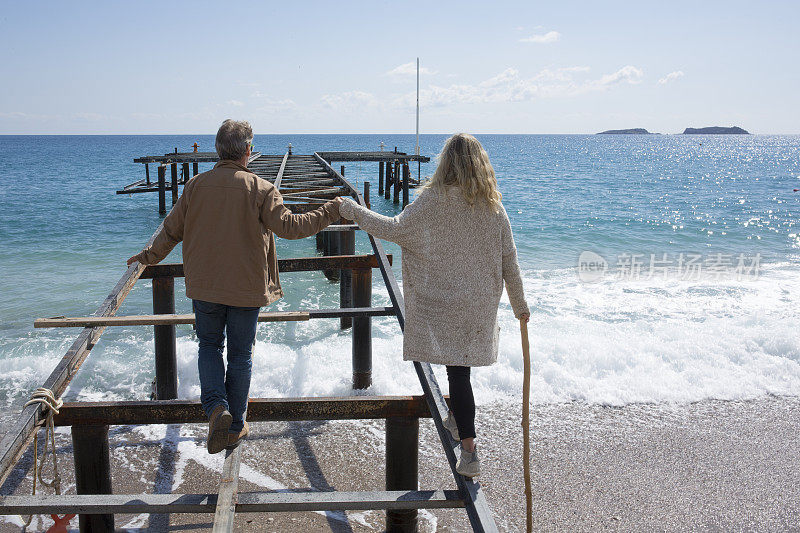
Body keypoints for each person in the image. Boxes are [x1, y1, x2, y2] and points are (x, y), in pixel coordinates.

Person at [127, 119, 343, 454]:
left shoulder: (195, 186)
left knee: (209, 347)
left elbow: (170, 230)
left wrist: (148, 257)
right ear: (247, 150)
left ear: (218, 149)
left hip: (205, 285)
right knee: (240, 353)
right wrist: (331, 209)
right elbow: (291, 228)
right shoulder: (261, 188)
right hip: (246, 287)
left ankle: (216, 409)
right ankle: (235, 426)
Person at [339, 133, 529, 477]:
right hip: (477, 304)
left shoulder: (432, 201)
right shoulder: (493, 207)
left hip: (441, 302)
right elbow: (509, 261)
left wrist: (353, 211)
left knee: (457, 372)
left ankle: (469, 451)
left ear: (446, 163)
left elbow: (393, 229)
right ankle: (457, 421)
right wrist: (520, 305)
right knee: (460, 367)